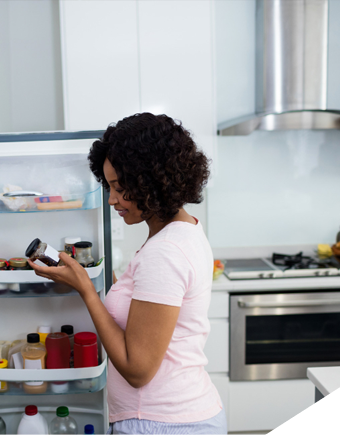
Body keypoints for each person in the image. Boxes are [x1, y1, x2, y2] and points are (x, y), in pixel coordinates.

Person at [28, 113, 226, 434]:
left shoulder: (166, 251)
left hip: (162, 422)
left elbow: (138, 370)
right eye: (109, 186)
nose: (111, 199)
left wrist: (87, 291)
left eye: (120, 187)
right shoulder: (183, 232)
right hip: (174, 416)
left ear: (152, 179)